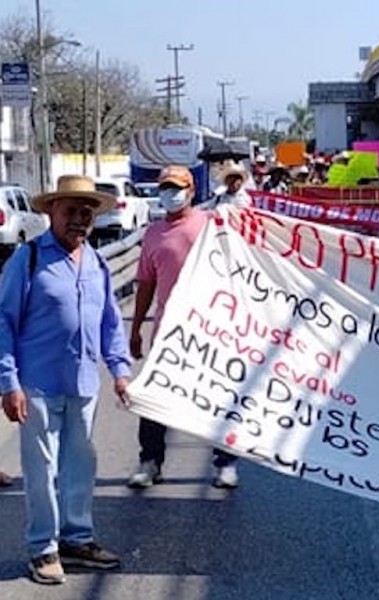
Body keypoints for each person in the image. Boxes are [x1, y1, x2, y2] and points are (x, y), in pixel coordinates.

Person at [0, 175, 131, 585]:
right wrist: (9, 382)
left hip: (84, 384)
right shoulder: (29, 258)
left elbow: (110, 322)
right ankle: (43, 549)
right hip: (37, 383)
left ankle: (77, 539)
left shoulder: (97, 261)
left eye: (86, 212)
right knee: (41, 469)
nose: (79, 219)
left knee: (80, 467)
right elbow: (3, 321)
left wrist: (121, 372)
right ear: (51, 213)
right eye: (70, 211)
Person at [128, 166, 240, 490]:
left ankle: (226, 463)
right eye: (165, 187)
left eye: (177, 187)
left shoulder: (210, 225)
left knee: (218, 396)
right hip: (167, 332)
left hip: (209, 330)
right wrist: (135, 328)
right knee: (153, 399)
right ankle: (150, 462)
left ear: (191, 191)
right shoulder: (153, 233)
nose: (170, 193)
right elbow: (146, 284)